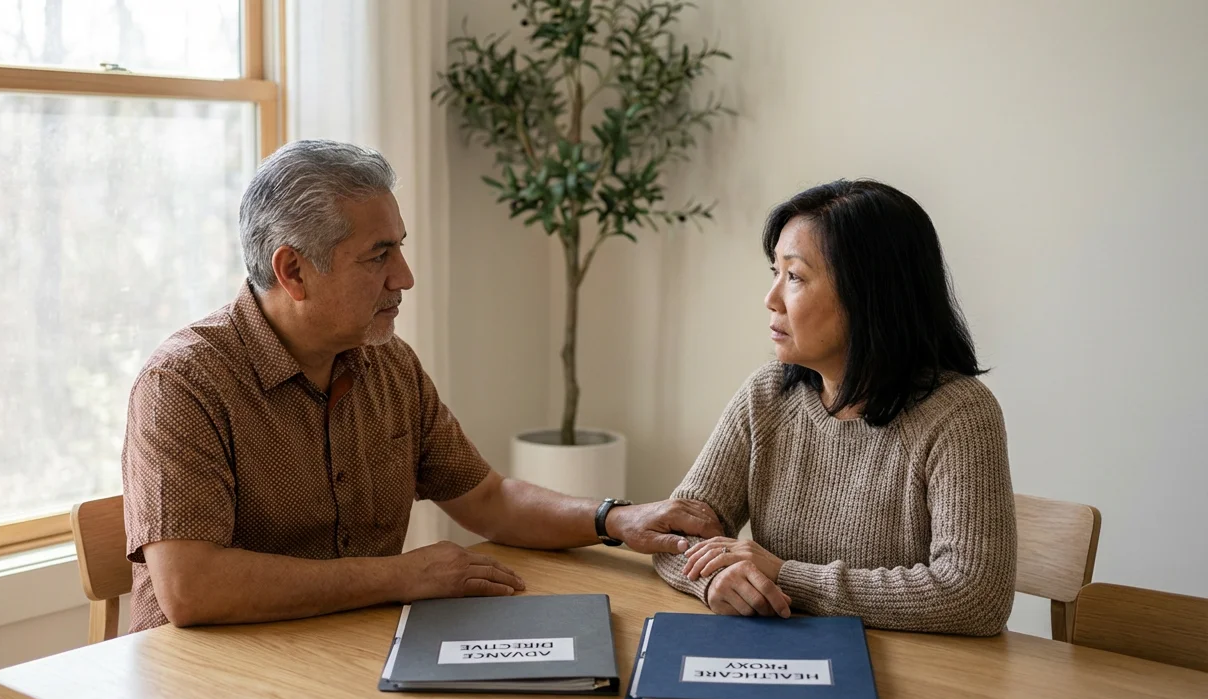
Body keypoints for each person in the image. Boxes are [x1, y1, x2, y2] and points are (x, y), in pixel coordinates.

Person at [122, 139, 721, 632]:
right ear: (294, 270)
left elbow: (487, 500)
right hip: (204, 688)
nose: (404, 277)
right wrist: (398, 576)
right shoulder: (182, 383)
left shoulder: (390, 366)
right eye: (378, 256)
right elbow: (191, 589)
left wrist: (614, 518)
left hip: (344, 654)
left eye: (399, 249)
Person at [653, 179, 1017, 636]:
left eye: (795, 277)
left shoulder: (960, 414)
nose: (770, 299)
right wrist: (716, 582)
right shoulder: (767, 395)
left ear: (869, 295)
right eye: (774, 272)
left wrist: (784, 575)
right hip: (781, 661)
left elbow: (974, 598)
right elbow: (672, 531)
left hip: (916, 683)